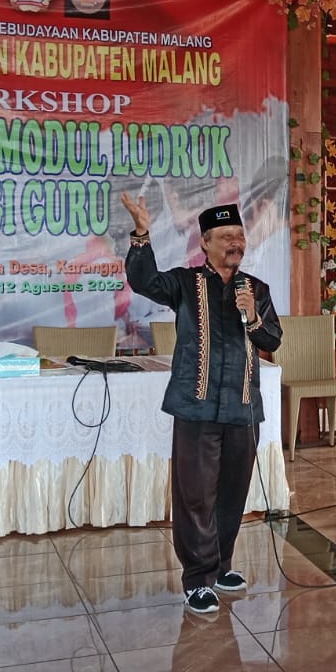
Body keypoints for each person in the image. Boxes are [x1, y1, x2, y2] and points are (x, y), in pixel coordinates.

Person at [122, 193, 282, 616]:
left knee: (232, 495)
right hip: (195, 408)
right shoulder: (185, 284)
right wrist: (141, 233)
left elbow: (272, 342)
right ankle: (197, 578)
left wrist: (253, 318)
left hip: (242, 409)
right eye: (226, 236)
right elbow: (143, 281)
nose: (236, 243)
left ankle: (221, 566)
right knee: (195, 497)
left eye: (240, 237)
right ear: (205, 243)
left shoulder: (256, 290)